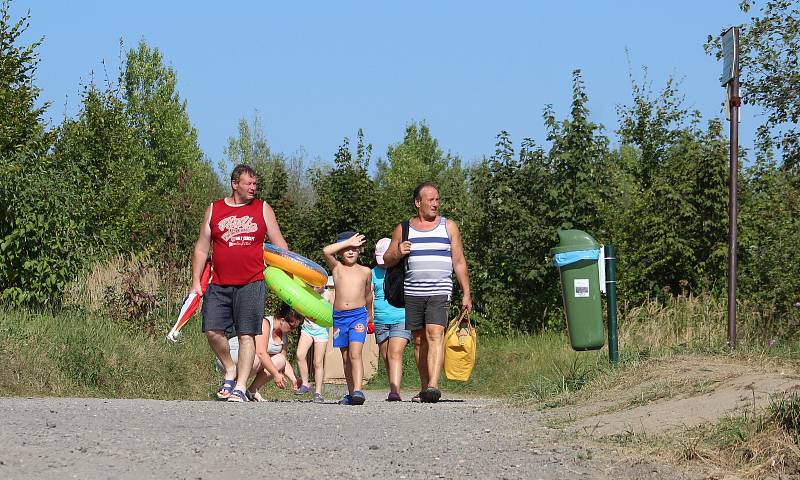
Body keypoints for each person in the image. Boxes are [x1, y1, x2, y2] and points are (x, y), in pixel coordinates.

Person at [191, 164, 288, 403]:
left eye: (255, 184)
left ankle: (241, 387)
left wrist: (289, 278)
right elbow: (202, 248)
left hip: (251, 282)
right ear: (235, 184)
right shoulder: (214, 209)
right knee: (212, 331)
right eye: (248, 184)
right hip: (219, 282)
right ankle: (229, 369)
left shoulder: (263, 209)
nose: (253, 188)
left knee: (247, 335)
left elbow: (280, 246)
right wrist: (195, 282)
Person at [381, 182, 472, 403]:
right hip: (412, 291)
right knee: (419, 339)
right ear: (417, 203)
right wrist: (398, 252)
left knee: (434, 333)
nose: (435, 203)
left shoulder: (448, 226)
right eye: (430, 200)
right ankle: (425, 390)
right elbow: (387, 259)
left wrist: (466, 293)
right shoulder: (404, 228)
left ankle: (433, 385)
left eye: (437, 199)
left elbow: (459, 262)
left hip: (440, 290)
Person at [322, 231, 373, 405]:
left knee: (355, 353)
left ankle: (358, 390)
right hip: (339, 318)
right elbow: (326, 251)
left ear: (360, 250)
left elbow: (368, 295)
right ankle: (351, 394)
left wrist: (370, 314)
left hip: (358, 316)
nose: (350, 252)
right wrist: (347, 242)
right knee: (345, 358)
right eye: (347, 248)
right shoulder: (336, 268)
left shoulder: (366, 271)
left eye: (355, 248)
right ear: (341, 250)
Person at [215, 303, 302, 401]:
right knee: (256, 358)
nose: (293, 330)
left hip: (250, 360)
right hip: (231, 356)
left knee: (280, 360)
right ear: (282, 321)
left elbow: (283, 361)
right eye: (292, 326)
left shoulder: (284, 336)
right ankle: (234, 385)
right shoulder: (265, 323)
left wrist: (294, 379)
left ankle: (251, 391)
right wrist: (276, 374)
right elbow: (261, 353)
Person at [369, 237, 411, 401]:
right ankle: (392, 386)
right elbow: (368, 295)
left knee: (395, 353)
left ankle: (395, 391)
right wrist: (369, 316)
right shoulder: (372, 273)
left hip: (401, 317)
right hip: (380, 319)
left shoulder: (403, 270)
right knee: (386, 356)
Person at [294, 284, 329, 403]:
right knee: (300, 355)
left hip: (321, 331)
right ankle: (305, 383)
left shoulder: (329, 295)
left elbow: (333, 312)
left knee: (317, 362)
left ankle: (318, 393)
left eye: (318, 285)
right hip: (307, 329)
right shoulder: (307, 293)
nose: (315, 288)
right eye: (313, 285)